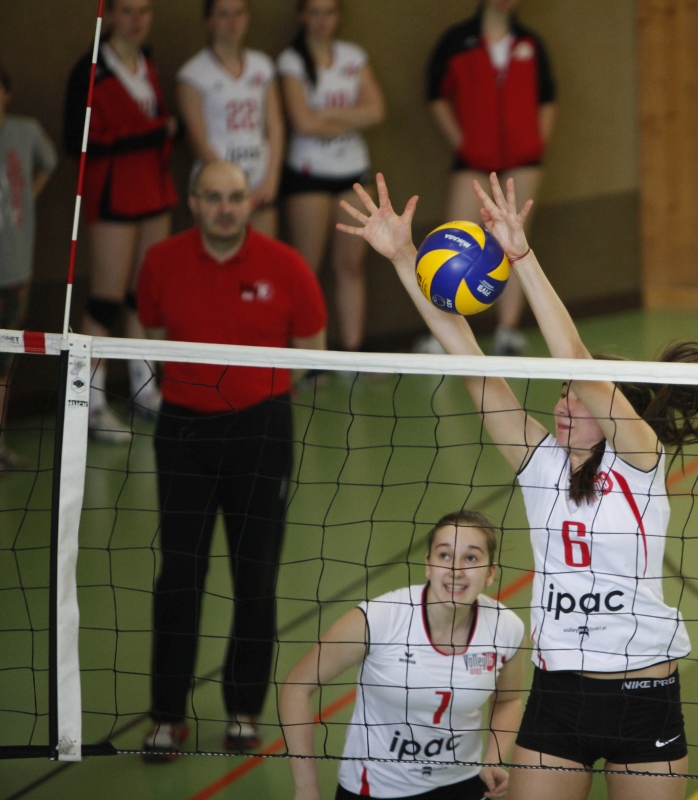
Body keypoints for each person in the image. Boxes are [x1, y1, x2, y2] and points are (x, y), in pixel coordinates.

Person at [339, 172, 698, 800]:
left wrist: (522, 256)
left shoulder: (639, 464)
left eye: (579, 398)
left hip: (643, 697)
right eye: (562, 394)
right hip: (558, 697)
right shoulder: (540, 464)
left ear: (617, 411)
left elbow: (577, 359)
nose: (564, 404)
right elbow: (467, 356)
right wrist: (405, 258)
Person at [136, 161, 327, 759]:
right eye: (213, 197)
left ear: (251, 202)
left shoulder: (286, 265)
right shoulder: (161, 261)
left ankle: (244, 709)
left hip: (261, 432)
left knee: (256, 576)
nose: (225, 208)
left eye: (236, 197)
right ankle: (166, 717)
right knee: (179, 575)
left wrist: (256, 394)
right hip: (183, 433)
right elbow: (149, 330)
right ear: (193, 202)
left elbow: (313, 347)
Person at [280, 510, 525, 800]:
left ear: (490, 573)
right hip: (377, 789)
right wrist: (306, 790)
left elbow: (509, 699)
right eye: (444, 555)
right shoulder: (379, 619)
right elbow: (296, 687)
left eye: (470, 558)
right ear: (428, 565)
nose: (455, 569)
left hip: (464, 783)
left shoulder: (505, 628)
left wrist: (494, 758)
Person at [63, 0, 176, 441]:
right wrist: (153, 132)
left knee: (142, 295)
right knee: (106, 301)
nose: (136, 20)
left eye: (144, 10)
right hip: (114, 193)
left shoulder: (147, 61)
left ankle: (145, 391)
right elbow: (78, 139)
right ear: (109, 15)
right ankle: (89, 405)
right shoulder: (91, 69)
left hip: (154, 189)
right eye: (127, 10)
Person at [425, 0, 556, 356]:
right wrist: (461, 142)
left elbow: (547, 97)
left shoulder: (530, 43)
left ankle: (507, 330)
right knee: (453, 240)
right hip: (473, 161)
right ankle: (445, 334)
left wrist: (537, 142)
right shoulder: (456, 41)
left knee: (516, 242)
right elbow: (435, 95)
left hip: (523, 162)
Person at [278, 0, 384, 354]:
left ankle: (354, 353)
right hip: (309, 174)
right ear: (302, 16)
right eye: (315, 12)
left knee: (351, 265)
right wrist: (351, 116)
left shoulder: (353, 56)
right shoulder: (291, 61)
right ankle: (309, 357)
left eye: (329, 12)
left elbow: (376, 111)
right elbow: (303, 122)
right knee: (307, 269)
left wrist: (325, 114)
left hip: (352, 171)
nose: (322, 20)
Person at [177, 0, 285, 237]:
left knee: (261, 256)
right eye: (224, 15)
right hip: (217, 187)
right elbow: (197, 140)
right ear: (209, 20)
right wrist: (233, 189)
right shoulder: (193, 73)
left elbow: (275, 126)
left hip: (260, 181)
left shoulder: (262, 65)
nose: (233, 22)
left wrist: (271, 179)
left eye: (239, 14)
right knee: (215, 255)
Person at [0, 63, 57, 472]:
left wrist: (28, 199)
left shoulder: (26, 131)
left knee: (4, 364)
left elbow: (49, 162)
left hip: (14, 271)